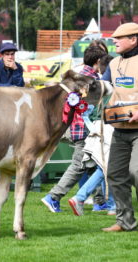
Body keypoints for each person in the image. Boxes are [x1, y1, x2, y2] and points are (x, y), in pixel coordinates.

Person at [41, 45, 107, 213]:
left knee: (96, 163)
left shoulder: (77, 75)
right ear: (98, 61)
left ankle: (100, 202)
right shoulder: (91, 80)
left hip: (77, 126)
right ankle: (53, 197)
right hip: (85, 128)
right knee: (79, 164)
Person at [101, 22, 138, 232]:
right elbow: (103, 87)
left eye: (118, 38)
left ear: (133, 39)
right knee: (115, 174)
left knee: (136, 171)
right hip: (120, 129)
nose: (113, 41)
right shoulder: (114, 64)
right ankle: (126, 222)